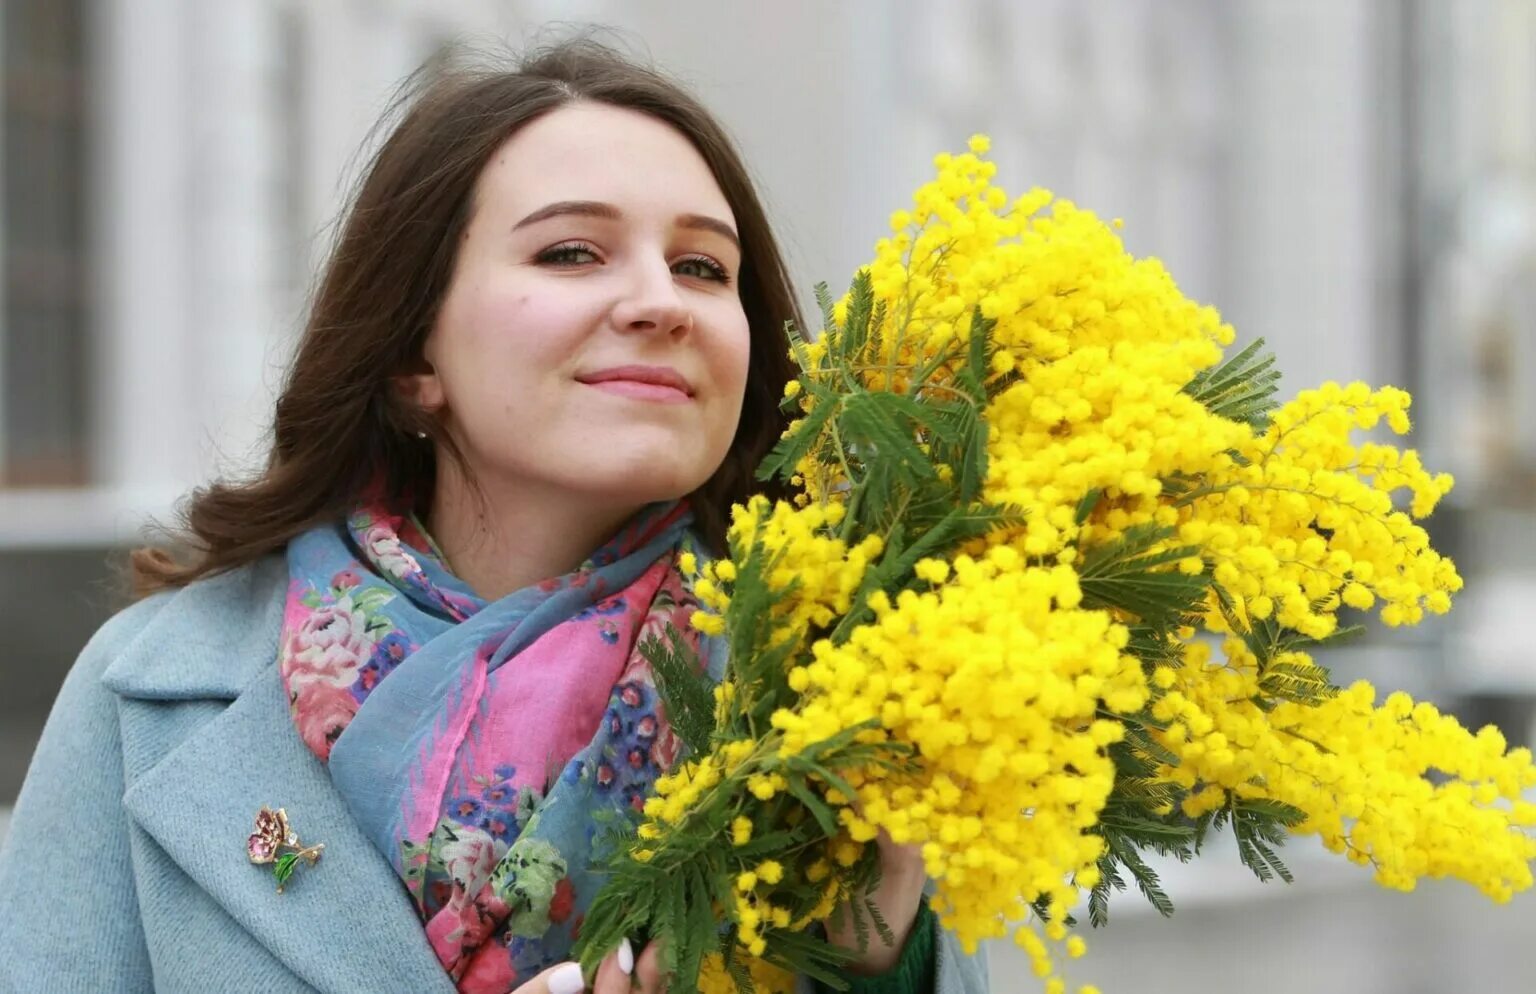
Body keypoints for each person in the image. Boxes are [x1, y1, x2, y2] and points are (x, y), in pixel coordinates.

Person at [0, 37, 989, 994]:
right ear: (411, 354)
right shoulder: (153, 698)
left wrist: (874, 961)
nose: (661, 301)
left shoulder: (841, 701)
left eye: (703, 267)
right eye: (571, 252)